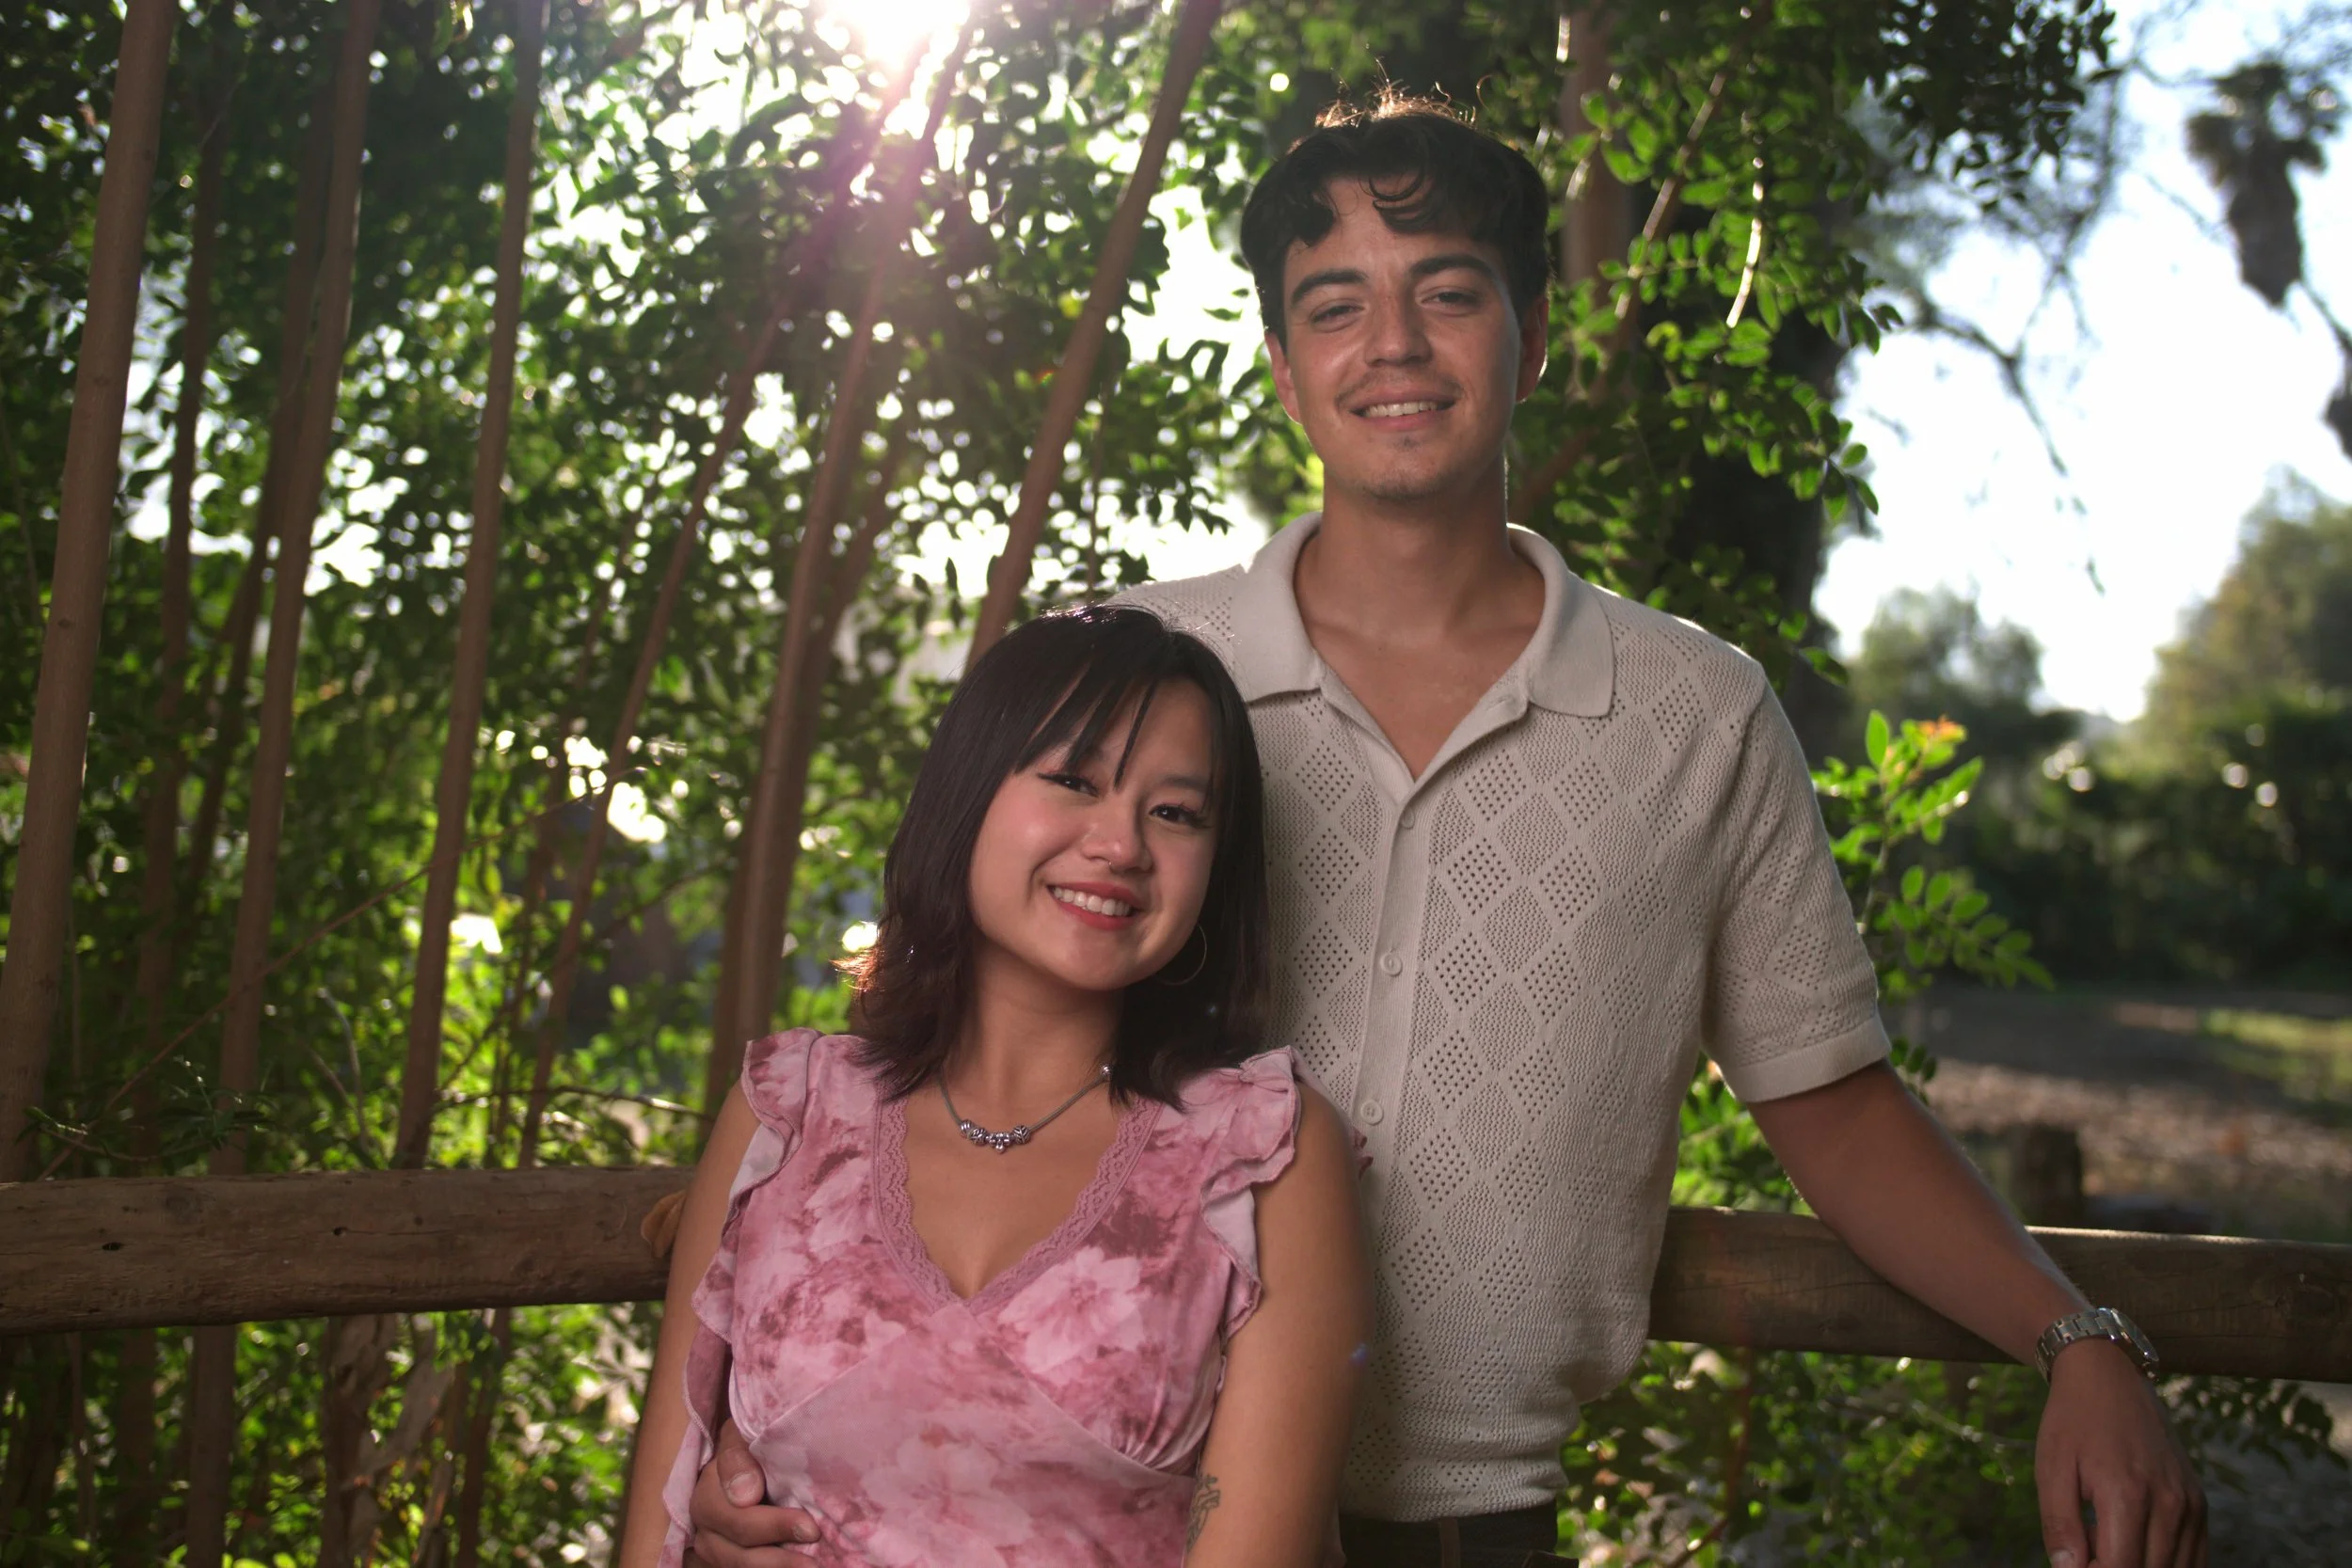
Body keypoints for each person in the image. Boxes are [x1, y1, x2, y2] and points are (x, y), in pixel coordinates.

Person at [688, 98, 2205, 1568]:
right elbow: (937, 1056)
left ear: (1532, 336)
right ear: (1286, 368)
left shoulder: (1695, 713)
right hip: (1085, 1506)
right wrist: (767, 1427)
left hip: (1477, 1519)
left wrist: (2074, 1335)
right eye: (1336, 305)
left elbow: (1837, 1103)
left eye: (1449, 293)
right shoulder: (1140, 676)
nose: (1395, 345)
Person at [618, 607, 1372, 1568]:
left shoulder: (1263, 1154)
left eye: (1176, 812)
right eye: (1075, 779)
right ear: (968, 791)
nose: (1122, 844)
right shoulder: (788, 1106)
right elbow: (655, 1532)